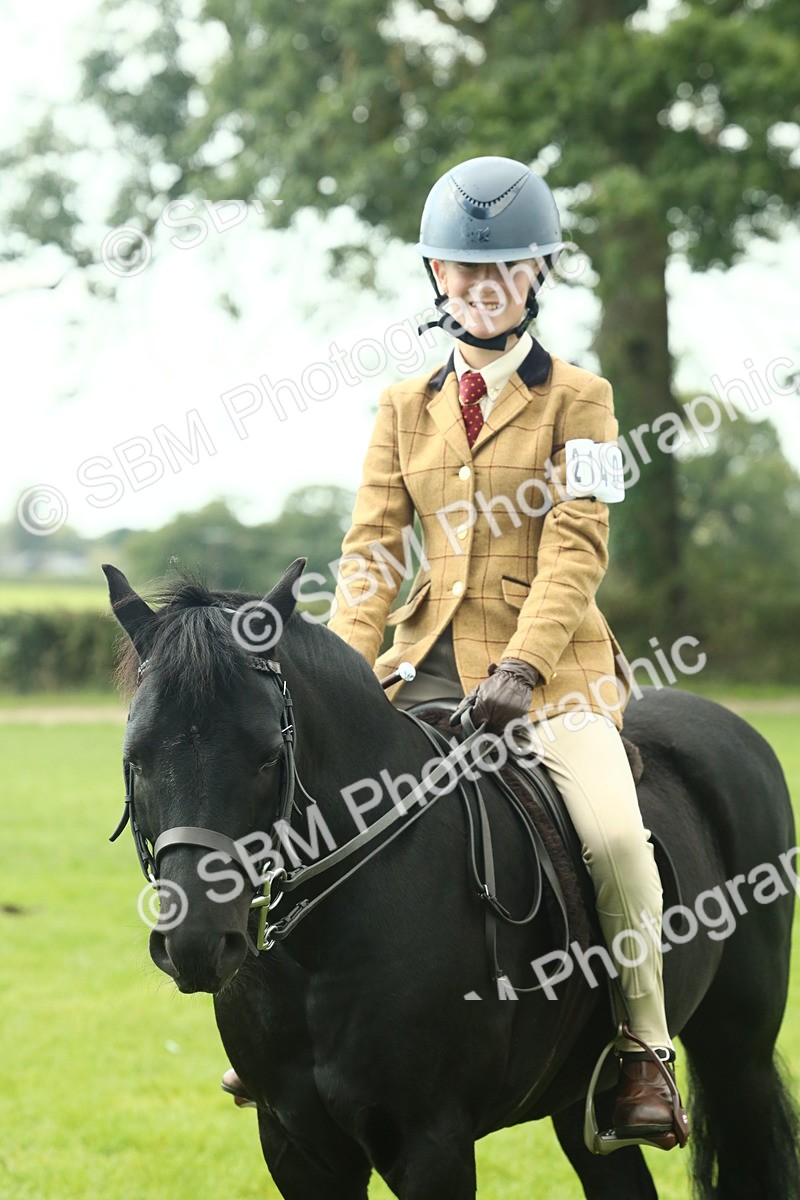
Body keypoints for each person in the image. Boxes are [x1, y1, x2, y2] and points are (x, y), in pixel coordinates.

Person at [224, 155, 687, 1148]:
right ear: (434, 275)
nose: (481, 286)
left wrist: (522, 665)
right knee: (296, 807)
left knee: (612, 838)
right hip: (419, 667)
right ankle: (274, 1031)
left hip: (554, 679)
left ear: (537, 275)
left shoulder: (582, 397)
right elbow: (370, 547)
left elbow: (576, 539)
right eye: (462, 269)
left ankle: (642, 1052)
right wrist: (346, 668)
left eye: (505, 269)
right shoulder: (400, 407)